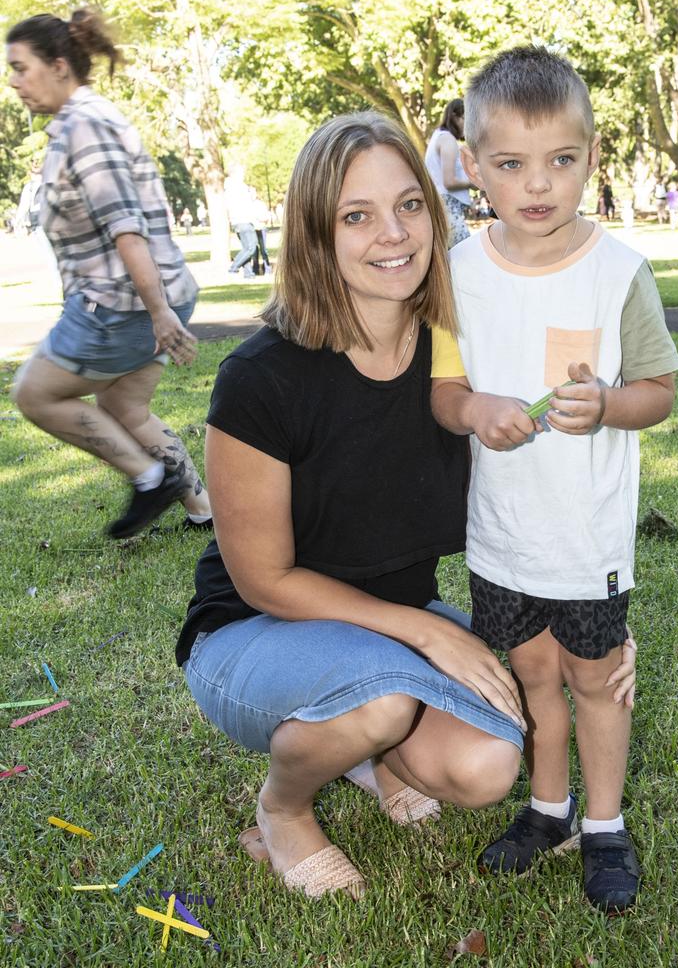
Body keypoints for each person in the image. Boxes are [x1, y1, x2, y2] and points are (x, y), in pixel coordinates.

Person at [175, 112, 640, 901]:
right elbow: (263, 580)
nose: (393, 234)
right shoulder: (261, 378)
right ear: (317, 234)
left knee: (489, 762)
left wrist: (597, 605)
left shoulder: (454, 360)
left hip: (381, 626)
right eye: (356, 216)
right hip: (251, 635)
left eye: (409, 206)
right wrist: (426, 629)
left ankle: (377, 751)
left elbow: (538, 485)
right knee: (383, 696)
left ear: (435, 206)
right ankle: (284, 809)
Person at [431, 46, 678, 913]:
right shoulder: (456, 275)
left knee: (594, 680)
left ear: (592, 157)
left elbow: (659, 392)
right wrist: (472, 411)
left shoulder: (619, 273)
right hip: (500, 535)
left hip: (586, 541)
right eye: (510, 163)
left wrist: (610, 405)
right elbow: (443, 391)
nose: (538, 185)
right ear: (474, 168)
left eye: (561, 161)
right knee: (535, 675)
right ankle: (549, 807)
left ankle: (604, 824)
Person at [6, 10, 212, 538]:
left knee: (34, 393)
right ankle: (202, 509)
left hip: (120, 305)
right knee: (124, 403)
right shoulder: (87, 118)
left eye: (20, 68)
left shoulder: (83, 125)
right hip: (151, 297)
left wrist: (160, 315)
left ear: (57, 66)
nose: (13, 81)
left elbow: (126, 228)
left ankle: (149, 479)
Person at [424, 98, 473, 248]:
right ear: (455, 117)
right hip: (448, 206)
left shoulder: (437, 137)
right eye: (467, 119)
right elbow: (449, 182)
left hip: (441, 204)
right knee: (465, 253)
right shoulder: (447, 140)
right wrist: (475, 183)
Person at [224, 166, 259, 279]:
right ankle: (234, 267)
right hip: (244, 219)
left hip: (238, 221)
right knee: (251, 247)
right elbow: (246, 204)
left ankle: (248, 273)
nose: (243, 175)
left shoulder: (229, 188)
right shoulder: (238, 187)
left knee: (246, 247)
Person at [250, 191, 271, 276]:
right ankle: (255, 269)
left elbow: (266, 217)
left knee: (263, 250)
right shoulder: (248, 205)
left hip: (261, 228)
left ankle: (267, 268)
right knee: (254, 251)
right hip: (252, 230)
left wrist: (259, 218)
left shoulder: (260, 204)